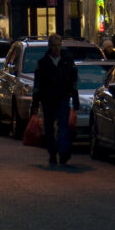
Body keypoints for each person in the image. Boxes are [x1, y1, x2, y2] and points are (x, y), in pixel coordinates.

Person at [31, 34, 79, 167]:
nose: (57, 48)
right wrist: (35, 104)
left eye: (58, 45)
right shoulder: (42, 63)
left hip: (63, 98)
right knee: (49, 128)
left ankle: (63, 152)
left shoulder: (68, 61)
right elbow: (37, 85)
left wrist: (75, 101)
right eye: (54, 45)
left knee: (63, 126)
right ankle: (52, 153)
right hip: (48, 100)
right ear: (49, 46)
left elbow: (73, 82)